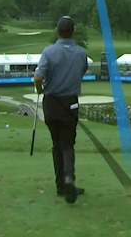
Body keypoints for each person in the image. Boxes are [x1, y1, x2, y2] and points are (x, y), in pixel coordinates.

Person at [33, 16, 88, 204]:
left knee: (57, 144)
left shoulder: (48, 52)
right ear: (73, 31)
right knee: (67, 144)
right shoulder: (81, 53)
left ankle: (61, 186)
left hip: (51, 103)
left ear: (58, 31)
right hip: (70, 103)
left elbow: (38, 77)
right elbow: (82, 72)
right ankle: (69, 179)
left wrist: (39, 90)